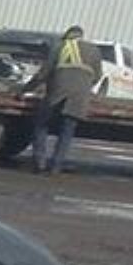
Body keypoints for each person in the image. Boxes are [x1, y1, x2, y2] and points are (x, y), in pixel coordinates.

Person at [33, 25, 94, 173]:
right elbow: (97, 75)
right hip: (79, 97)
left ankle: (39, 162)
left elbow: (44, 73)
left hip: (57, 93)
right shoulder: (93, 50)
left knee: (41, 125)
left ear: (67, 35)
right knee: (67, 132)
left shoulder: (59, 47)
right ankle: (56, 166)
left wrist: (26, 88)